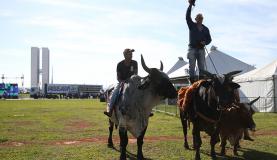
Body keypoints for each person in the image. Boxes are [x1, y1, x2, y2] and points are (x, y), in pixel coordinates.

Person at [104, 48, 138, 117]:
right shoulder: (119, 64)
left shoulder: (134, 63)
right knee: (115, 92)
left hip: (132, 82)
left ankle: (146, 111)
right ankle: (110, 110)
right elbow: (118, 77)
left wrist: (131, 81)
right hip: (122, 82)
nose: (131, 55)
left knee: (141, 91)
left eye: (131, 54)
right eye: (129, 54)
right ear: (125, 55)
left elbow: (135, 74)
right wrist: (122, 82)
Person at [186, 0, 212, 84]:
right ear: (195, 19)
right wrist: (190, 6)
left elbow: (209, 39)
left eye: (201, 18)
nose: (200, 20)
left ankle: (201, 82)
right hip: (192, 48)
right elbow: (187, 17)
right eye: (198, 18)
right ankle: (192, 82)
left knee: (202, 67)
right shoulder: (192, 25)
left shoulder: (205, 29)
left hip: (201, 49)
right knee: (192, 66)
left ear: (202, 19)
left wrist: (205, 43)